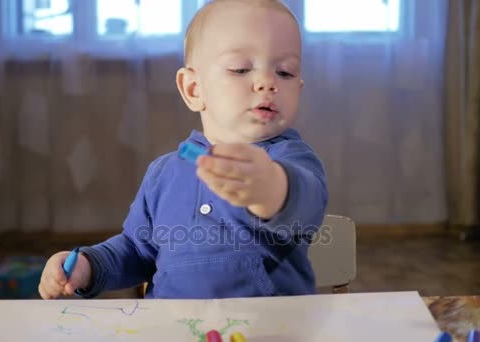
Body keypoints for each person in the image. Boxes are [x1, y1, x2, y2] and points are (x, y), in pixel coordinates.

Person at [38, 0, 328, 300]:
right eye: (241, 68)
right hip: (172, 327)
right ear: (193, 89)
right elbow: (138, 250)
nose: (268, 82)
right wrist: (89, 266)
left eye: (285, 72)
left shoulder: (289, 159)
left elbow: (307, 202)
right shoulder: (163, 173)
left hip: (268, 328)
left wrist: (272, 188)